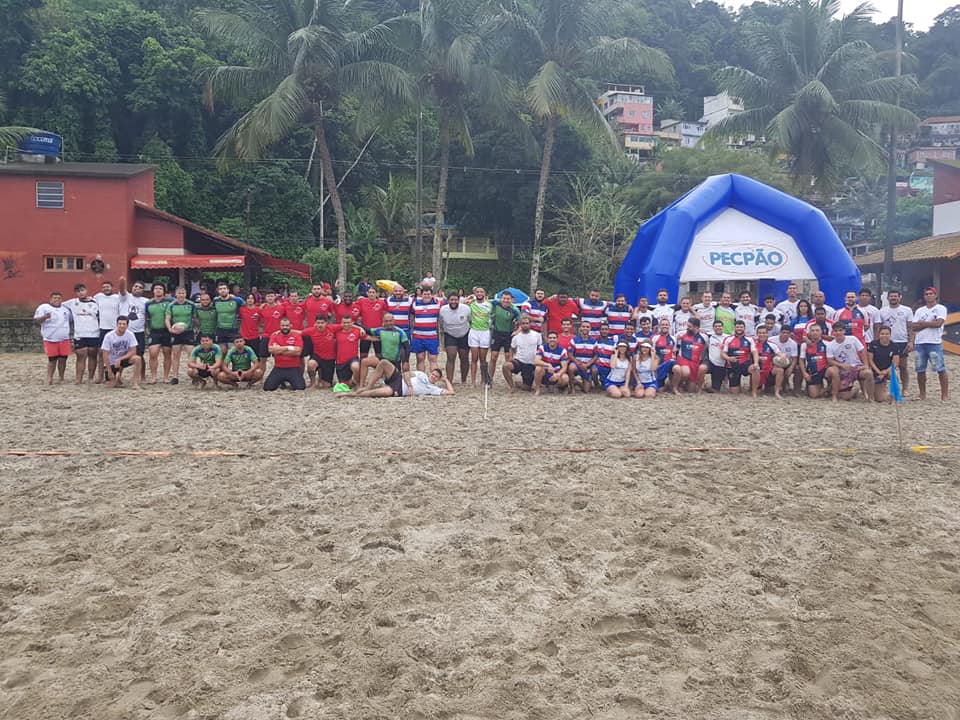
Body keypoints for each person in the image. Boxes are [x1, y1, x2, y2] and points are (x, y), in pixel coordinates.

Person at [910, 286, 949, 401]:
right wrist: (928, 323)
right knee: (920, 370)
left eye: (931, 294)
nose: (928, 296)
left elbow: (938, 323)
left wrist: (922, 323)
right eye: (926, 294)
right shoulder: (919, 310)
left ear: (935, 295)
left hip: (934, 342)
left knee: (940, 369)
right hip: (920, 343)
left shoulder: (940, 308)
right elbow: (914, 326)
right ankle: (922, 394)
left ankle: (944, 395)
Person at [347, 360, 454, 397]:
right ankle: (368, 386)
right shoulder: (422, 375)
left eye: (436, 376)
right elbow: (406, 374)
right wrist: (410, 386)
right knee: (384, 362)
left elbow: (451, 392)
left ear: (438, 379)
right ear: (430, 373)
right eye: (433, 374)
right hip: (399, 379)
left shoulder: (433, 389)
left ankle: (351, 394)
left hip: (400, 389)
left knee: (376, 394)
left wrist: (446, 380)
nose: (433, 376)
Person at [826, 323, 873, 402]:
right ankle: (844, 393)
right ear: (833, 332)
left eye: (840, 330)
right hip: (843, 371)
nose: (838, 333)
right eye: (836, 331)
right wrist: (842, 366)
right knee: (845, 397)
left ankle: (870, 397)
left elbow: (862, 351)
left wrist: (866, 365)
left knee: (868, 373)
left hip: (856, 367)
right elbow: (830, 360)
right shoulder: (830, 345)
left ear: (844, 331)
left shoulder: (852, 339)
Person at [65, 284, 101, 384]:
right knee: (80, 356)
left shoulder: (95, 302)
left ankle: (90, 378)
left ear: (86, 290)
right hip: (79, 334)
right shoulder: (72, 303)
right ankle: (78, 379)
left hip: (94, 334)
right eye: (78, 291)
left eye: (82, 290)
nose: (80, 293)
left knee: (92, 356)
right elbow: (59, 305)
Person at [880, 289, 914, 393]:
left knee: (903, 366)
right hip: (887, 341)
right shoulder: (882, 311)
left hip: (902, 341)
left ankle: (905, 388)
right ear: (887, 298)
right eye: (891, 296)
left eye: (895, 296)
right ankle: (885, 388)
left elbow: (910, 327)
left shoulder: (907, 310)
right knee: (885, 365)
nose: (893, 298)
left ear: (900, 297)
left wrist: (911, 341)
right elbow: (879, 327)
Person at [34, 291, 72, 384]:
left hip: (64, 339)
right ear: (50, 299)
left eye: (59, 298)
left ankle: (61, 377)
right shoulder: (44, 307)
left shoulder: (65, 310)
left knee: (63, 359)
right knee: (52, 359)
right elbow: (37, 321)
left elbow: (70, 320)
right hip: (50, 339)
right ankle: (49, 377)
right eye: (55, 298)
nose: (57, 300)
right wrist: (45, 317)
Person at [365, 313, 410, 383]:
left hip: (395, 361)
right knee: (364, 362)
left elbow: (407, 347)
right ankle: (361, 385)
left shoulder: (400, 332)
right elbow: (367, 330)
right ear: (383, 321)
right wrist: (355, 325)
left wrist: (406, 361)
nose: (388, 323)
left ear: (394, 321)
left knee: (395, 382)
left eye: (390, 321)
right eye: (386, 321)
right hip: (384, 361)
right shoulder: (380, 330)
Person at [99, 315, 142, 389]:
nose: (122, 326)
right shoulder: (109, 336)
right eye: (120, 324)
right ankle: (116, 376)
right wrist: (109, 370)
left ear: (127, 325)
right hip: (112, 362)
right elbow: (105, 354)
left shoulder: (130, 335)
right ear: (116, 324)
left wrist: (120, 359)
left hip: (123, 359)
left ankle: (135, 383)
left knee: (137, 358)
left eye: (124, 324)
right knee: (111, 386)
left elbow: (133, 351)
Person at [264, 317, 305, 391]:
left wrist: (279, 349)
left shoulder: (297, 336)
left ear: (291, 326)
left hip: (293, 367)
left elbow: (298, 352)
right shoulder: (275, 335)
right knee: (268, 388)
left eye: (287, 325)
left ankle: (286, 381)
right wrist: (289, 348)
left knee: (300, 388)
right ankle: (282, 382)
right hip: (279, 367)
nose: (285, 327)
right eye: (283, 326)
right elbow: (271, 350)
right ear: (280, 326)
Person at [165, 286, 196, 384]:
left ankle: (194, 376)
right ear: (176, 294)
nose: (181, 295)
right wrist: (170, 329)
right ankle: (175, 377)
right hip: (176, 333)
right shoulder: (171, 305)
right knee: (176, 355)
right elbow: (167, 318)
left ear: (186, 294)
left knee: (191, 355)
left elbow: (195, 318)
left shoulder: (191, 304)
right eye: (179, 293)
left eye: (183, 293)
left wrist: (195, 328)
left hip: (188, 332)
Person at [488, 291, 520, 383]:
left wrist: (516, 332)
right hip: (497, 333)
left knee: (508, 358)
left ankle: (509, 381)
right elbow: (483, 302)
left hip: (508, 335)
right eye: (504, 298)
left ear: (511, 300)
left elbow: (522, 322)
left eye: (508, 299)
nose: (505, 300)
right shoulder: (495, 303)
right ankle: (489, 379)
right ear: (501, 298)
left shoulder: (515, 309)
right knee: (493, 357)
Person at [118, 278, 148, 378]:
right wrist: (122, 280)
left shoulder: (145, 301)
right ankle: (118, 376)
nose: (137, 289)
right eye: (135, 286)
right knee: (121, 354)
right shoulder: (126, 297)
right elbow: (122, 289)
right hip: (124, 332)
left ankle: (141, 376)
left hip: (139, 332)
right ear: (132, 287)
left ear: (143, 290)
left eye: (140, 288)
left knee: (139, 355)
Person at [94, 279, 123, 379]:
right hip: (103, 328)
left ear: (112, 288)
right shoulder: (98, 297)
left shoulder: (117, 297)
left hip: (115, 329)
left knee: (116, 353)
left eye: (108, 287)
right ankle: (100, 376)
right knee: (101, 353)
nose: (106, 288)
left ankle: (116, 376)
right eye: (104, 287)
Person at [439, 292, 471, 384]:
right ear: (448, 300)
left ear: (459, 300)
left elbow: (470, 320)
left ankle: (463, 379)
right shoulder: (443, 310)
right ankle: (449, 380)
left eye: (455, 300)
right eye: (451, 300)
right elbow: (441, 322)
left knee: (464, 357)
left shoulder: (466, 309)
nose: (453, 302)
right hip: (450, 334)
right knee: (451, 356)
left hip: (464, 334)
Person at [721, 320, 759, 397]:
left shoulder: (750, 339)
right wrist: (728, 358)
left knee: (756, 369)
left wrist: (755, 363)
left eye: (741, 327)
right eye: (737, 327)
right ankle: (738, 386)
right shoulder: (728, 339)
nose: (739, 329)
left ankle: (754, 391)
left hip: (745, 364)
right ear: (734, 328)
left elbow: (754, 352)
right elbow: (722, 353)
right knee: (734, 392)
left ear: (744, 328)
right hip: (733, 366)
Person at [503, 315, 541, 391]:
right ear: (520, 325)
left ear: (530, 324)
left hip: (531, 363)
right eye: (523, 323)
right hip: (519, 361)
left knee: (527, 388)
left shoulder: (537, 335)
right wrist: (511, 357)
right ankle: (512, 386)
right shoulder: (516, 337)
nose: (525, 325)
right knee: (506, 366)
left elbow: (539, 348)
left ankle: (519, 384)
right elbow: (512, 348)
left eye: (527, 323)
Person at [799, 324, 836, 399]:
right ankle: (826, 390)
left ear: (821, 332)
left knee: (833, 371)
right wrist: (804, 373)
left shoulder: (827, 344)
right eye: (812, 331)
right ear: (809, 333)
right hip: (813, 371)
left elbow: (832, 359)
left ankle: (831, 388)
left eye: (817, 330)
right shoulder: (804, 345)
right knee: (814, 395)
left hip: (824, 370)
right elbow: (801, 360)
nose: (815, 332)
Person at [145, 283, 172, 384]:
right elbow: (146, 318)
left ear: (164, 291)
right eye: (156, 288)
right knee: (153, 353)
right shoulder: (148, 303)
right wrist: (148, 329)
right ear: (153, 290)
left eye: (160, 288)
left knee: (167, 353)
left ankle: (166, 377)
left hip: (166, 331)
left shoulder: (170, 301)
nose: (158, 290)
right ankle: (153, 377)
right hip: (154, 331)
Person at [411, 287, 442, 372]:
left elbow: (450, 301)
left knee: (433, 359)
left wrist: (437, 298)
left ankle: (432, 381)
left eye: (429, 294)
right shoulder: (415, 304)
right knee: (420, 358)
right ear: (421, 295)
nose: (427, 296)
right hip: (418, 336)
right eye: (425, 294)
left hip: (432, 337)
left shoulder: (437, 303)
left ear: (432, 295)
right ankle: (422, 380)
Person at [674, 317, 708, 394]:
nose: (687, 328)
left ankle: (688, 383)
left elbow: (706, 348)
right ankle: (678, 385)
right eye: (687, 326)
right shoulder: (681, 334)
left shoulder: (704, 337)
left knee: (691, 390)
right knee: (686, 372)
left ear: (696, 327)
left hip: (695, 362)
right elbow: (673, 341)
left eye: (690, 327)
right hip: (683, 359)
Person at [303, 315, 338, 389]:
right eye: (318, 323)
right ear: (315, 323)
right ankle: (312, 382)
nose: (320, 325)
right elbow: (298, 332)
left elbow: (347, 325)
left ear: (326, 323)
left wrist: (360, 328)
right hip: (317, 356)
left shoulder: (332, 328)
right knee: (311, 364)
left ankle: (322, 379)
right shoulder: (311, 330)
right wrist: (279, 331)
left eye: (322, 323)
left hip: (329, 359)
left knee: (326, 386)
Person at [467, 287, 492, 385]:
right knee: (474, 358)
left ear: (484, 293)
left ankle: (483, 380)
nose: (479, 293)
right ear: (475, 293)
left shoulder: (489, 305)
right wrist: (469, 299)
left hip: (485, 332)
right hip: (474, 332)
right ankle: (473, 381)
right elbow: (461, 303)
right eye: (477, 292)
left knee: (483, 359)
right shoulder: (471, 304)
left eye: (481, 292)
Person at [332, 315, 367, 387]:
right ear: (341, 323)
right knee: (345, 385)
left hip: (353, 359)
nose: (346, 324)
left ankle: (358, 384)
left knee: (355, 367)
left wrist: (379, 338)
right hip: (340, 362)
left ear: (352, 323)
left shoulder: (357, 332)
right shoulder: (336, 332)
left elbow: (368, 337)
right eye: (344, 323)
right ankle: (351, 381)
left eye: (348, 322)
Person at [868, 326, 899, 403]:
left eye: (886, 334)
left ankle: (895, 394)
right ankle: (884, 392)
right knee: (879, 399)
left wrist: (884, 372)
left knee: (894, 374)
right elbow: (870, 360)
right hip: (876, 370)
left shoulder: (894, 346)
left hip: (888, 370)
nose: (884, 336)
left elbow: (895, 363)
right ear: (879, 334)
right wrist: (878, 372)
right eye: (882, 334)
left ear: (890, 335)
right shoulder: (873, 344)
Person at [533, 331, 570, 395]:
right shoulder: (542, 347)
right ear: (547, 339)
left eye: (554, 338)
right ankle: (538, 389)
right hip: (544, 372)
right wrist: (548, 365)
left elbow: (564, 367)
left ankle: (558, 387)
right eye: (550, 338)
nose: (552, 339)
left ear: (557, 339)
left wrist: (558, 374)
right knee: (538, 368)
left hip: (555, 372)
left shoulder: (562, 351)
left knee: (565, 378)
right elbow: (536, 361)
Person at [769, 323, 799, 397]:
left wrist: (791, 368)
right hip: (775, 362)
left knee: (798, 369)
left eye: (787, 333)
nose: (785, 334)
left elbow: (794, 358)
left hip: (788, 362)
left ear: (790, 334)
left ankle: (796, 390)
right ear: (780, 332)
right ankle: (780, 387)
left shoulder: (793, 343)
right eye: (783, 332)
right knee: (779, 370)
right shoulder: (771, 340)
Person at [356, 285, 386, 360]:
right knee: (363, 354)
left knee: (379, 355)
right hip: (365, 331)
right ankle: (362, 369)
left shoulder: (382, 303)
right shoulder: (361, 302)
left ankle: (380, 370)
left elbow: (386, 315)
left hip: (378, 331)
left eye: (373, 292)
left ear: (377, 293)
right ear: (367, 293)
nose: (371, 294)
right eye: (369, 292)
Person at [568, 320, 598, 394]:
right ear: (580, 328)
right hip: (577, 364)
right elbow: (570, 354)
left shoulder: (594, 341)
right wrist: (578, 363)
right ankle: (572, 388)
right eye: (583, 326)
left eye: (587, 327)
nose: (585, 328)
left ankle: (577, 382)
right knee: (571, 367)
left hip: (588, 365)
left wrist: (587, 365)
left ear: (590, 328)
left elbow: (596, 355)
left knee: (586, 390)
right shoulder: (574, 340)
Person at [213, 283, 243, 351]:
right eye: (220, 289)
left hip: (232, 329)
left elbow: (246, 305)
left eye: (224, 288)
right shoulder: (215, 300)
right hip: (220, 329)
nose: (222, 290)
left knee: (232, 351)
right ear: (218, 291)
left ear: (228, 290)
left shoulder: (236, 300)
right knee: (222, 351)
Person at [238, 293, 264, 368]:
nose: (250, 300)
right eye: (248, 298)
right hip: (244, 336)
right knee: (245, 357)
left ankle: (258, 374)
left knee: (256, 357)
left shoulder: (258, 310)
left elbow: (262, 321)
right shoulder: (242, 309)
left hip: (255, 336)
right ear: (246, 300)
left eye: (252, 298)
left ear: (254, 300)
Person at [705, 320, 729, 393]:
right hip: (711, 363)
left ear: (723, 327)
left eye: (719, 326)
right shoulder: (709, 337)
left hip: (722, 364)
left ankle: (725, 380)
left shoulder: (728, 337)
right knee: (702, 368)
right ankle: (702, 385)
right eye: (716, 326)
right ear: (713, 328)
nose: (718, 328)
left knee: (716, 389)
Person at [653, 318, 676, 390]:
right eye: (662, 325)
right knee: (659, 389)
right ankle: (664, 383)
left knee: (674, 365)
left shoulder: (673, 338)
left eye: (666, 325)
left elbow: (674, 353)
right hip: (660, 366)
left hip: (670, 365)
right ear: (659, 326)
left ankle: (672, 383)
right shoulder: (655, 338)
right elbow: (652, 354)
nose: (664, 326)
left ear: (669, 326)